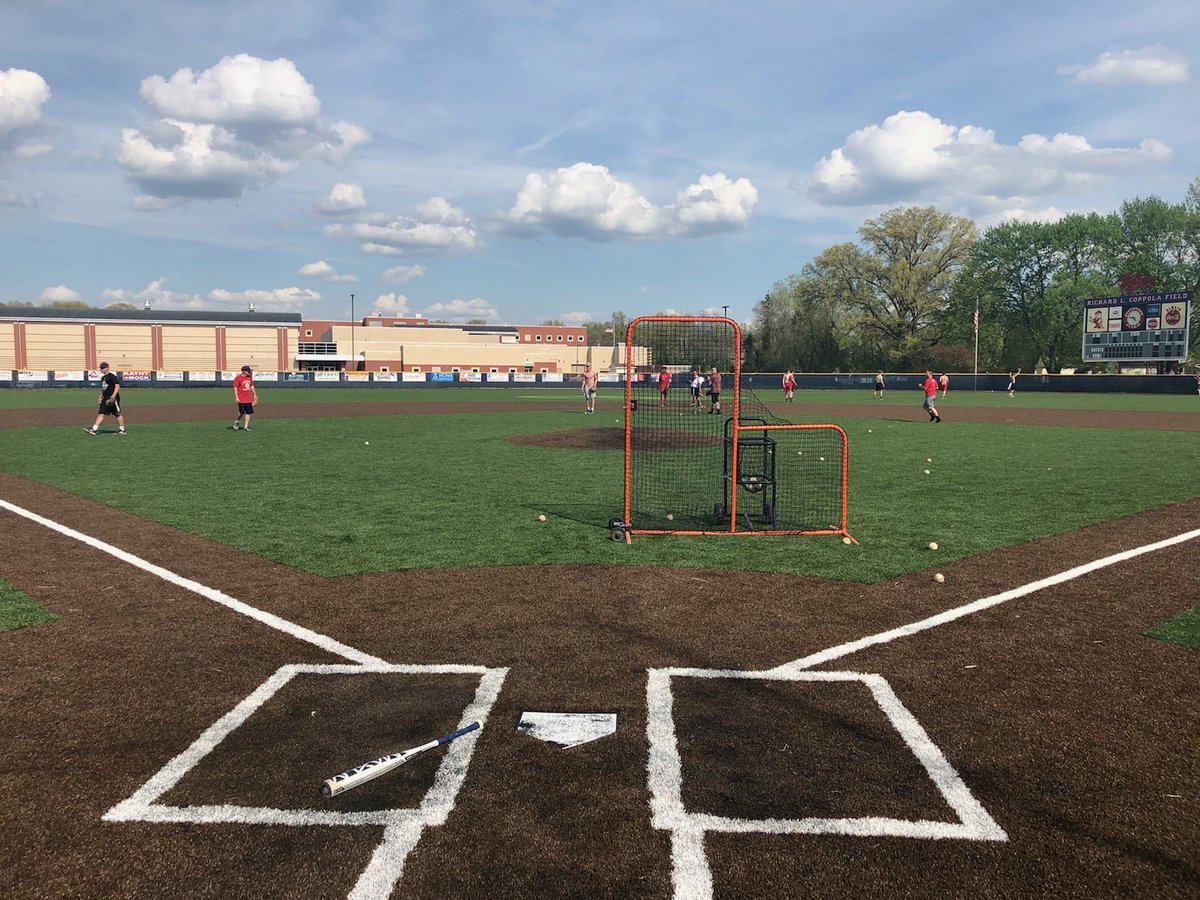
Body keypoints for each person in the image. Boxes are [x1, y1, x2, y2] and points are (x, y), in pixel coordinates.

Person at [86, 362, 126, 435]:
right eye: (101, 368)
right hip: (105, 398)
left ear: (107, 368)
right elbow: (103, 388)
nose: (101, 370)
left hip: (113, 399)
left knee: (117, 414)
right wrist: (100, 397)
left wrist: (113, 396)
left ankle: (122, 429)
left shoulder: (112, 376)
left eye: (103, 368)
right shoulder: (103, 378)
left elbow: (117, 386)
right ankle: (94, 429)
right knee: (101, 413)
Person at [232, 365, 259, 431]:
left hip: (248, 398)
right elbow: (235, 388)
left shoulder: (249, 378)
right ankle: (237, 421)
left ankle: (246, 426)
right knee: (241, 412)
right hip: (241, 398)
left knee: (248, 412)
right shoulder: (238, 378)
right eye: (248, 371)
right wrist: (236, 397)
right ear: (244, 371)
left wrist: (255, 394)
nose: (249, 372)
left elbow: (252, 386)